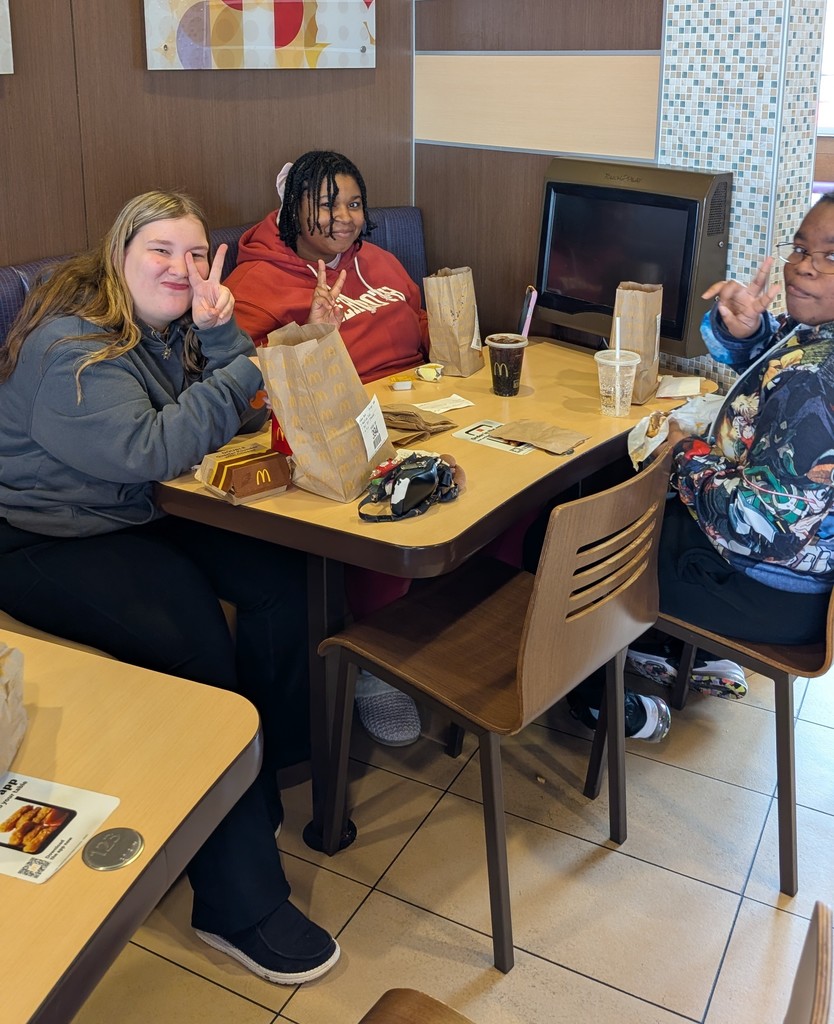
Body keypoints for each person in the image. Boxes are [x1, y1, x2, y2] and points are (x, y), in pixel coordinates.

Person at [0, 191, 339, 984]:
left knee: (282, 580)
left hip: (129, 509)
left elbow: (243, 406)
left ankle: (263, 779)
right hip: (46, 534)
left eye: (195, 254)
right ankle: (235, 902)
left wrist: (224, 333)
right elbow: (150, 447)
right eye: (161, 251)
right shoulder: (67, 345)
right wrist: (246, 362)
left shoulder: (160, 324)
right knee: (190, 638)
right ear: (119, 253)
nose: (182, 270)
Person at [550, 192, 834, 737]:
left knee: (565, 543)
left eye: (829, 255)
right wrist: (747, 331)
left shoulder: (818, 383)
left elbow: (766, 529)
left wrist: (683, 454)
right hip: (795, 577)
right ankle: (667, 645)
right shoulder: (815, 344)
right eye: (800, 248)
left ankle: (599, 702)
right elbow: (778, 376)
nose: (803, 265)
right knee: (612, 498)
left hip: (766, 588)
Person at [226, 150, 432, 747]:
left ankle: (468, 634)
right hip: (334, 433)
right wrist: (318, 332)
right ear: (291, 210)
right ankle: (376, 665)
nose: (344, 217)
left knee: (513, 489)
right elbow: (249, 391)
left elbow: (422, 327)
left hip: (421, 408)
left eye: (354, 202)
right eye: (326, 204)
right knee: (391, 508)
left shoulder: (382, 261)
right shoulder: (256, 286)